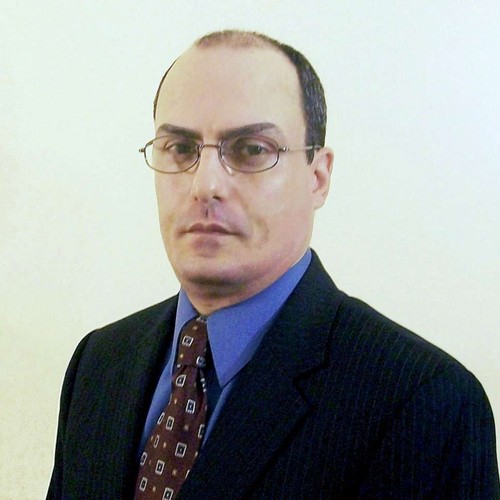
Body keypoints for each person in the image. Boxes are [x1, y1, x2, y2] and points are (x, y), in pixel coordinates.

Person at [47, 30, 499, 499]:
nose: (205, 185)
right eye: (180, 148)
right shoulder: (99, 365)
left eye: (251, 149)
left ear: (318, 177)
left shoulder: (426, 403)